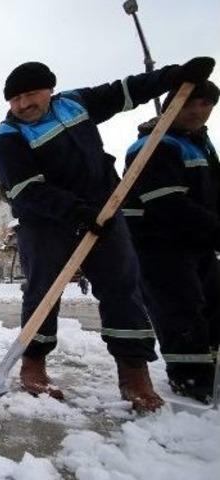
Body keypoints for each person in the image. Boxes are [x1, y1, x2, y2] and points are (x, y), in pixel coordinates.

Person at [0, 57, 214, 412]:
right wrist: (76, 212)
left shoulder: (75, 104)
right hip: (45, 222)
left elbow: (127, 91)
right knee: (42, 290)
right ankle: (34, 365)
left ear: (50, 90)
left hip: (105, 210)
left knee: (122, 286)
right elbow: (27, 190)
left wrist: (175, 75)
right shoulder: (8, 137)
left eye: (31, 94)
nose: (23, 104)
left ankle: (134, 373)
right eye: (15, 100)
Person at [123, 79, 219, 404]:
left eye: (206, 104)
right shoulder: (151, 146)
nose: (197, 111)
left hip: (198, 244)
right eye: (189, 103)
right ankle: (191, 378)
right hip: (159, 245)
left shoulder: (200, 145)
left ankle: (212, 371)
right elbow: (167, 206)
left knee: (213, 304)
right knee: (181, 310)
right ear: (169, 106)